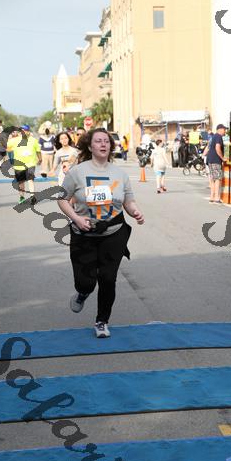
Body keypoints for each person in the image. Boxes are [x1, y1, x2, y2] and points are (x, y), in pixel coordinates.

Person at [57, 128, 144, 338]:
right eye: (98, 141)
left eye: (106, 141)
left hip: (113, 232)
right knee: (86, 282)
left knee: (108, 278)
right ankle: (83, 292)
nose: (103, 144)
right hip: (83, 233)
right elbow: (62, 199)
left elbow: (128, 200)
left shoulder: (120, 174)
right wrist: (76, 218)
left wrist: (135, 212)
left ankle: (102, 321)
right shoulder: (77, 172)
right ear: (90, 146)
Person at [10, 125, 42, 204]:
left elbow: (38, 151)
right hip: (18, 165)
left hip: (30, 164)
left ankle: (32, 196)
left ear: (28, 132)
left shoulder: (33, 140)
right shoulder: (14, 140)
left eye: (25, 130)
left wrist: (40, 159)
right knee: (21, 182)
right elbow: (5, 147)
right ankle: (22, 197)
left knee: (30, 180)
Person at [206, 123, 227, 203]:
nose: (225, 131)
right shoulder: (218, 136)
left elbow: (209, 148)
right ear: (220, 129)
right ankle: (217, 198)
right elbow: (217, 148)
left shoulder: (214, 136)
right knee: (217, 179)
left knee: (212, 179)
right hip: (215, 159)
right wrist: (222, 158)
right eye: (224, 129)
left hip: (210, 159)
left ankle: (212, 196)